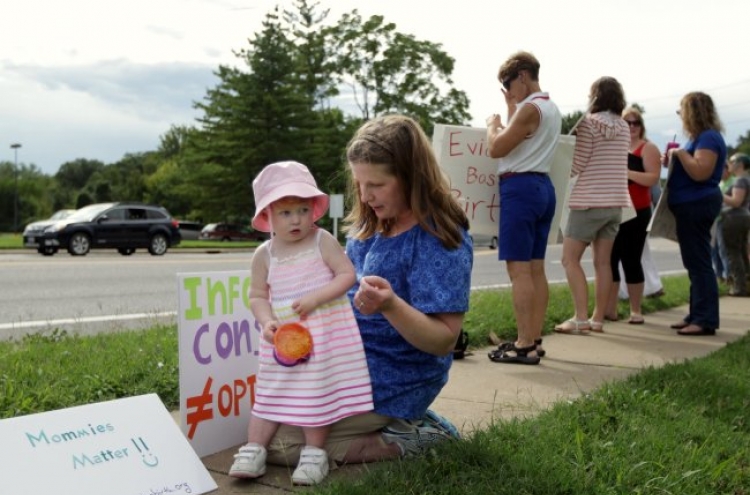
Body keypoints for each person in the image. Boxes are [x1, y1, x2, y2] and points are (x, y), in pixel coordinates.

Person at [251, 115, 473, 470]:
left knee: (280, 445)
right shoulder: (369, 226)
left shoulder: (440, 238)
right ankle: (387, 426)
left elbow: (444, 340)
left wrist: (391, 305)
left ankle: (410, 435)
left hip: (396, 374)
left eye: (377, 184)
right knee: (262, 423)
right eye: (359, 183)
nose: (366, 196)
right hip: (346, 360)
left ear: (411, 177)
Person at [228, 161, 374, 485]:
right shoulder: (264, 254)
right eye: (286, 213)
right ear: (267, 216)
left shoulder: (322, 241)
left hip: (322, 335)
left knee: (315, 394)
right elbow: (257, 295)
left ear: (314, 210)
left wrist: (316, 297)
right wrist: (266, 321)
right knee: (268, 393)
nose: (296, 219)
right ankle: (255, 448)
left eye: (303, 210)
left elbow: (347, 274)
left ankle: (314, 453)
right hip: (283, 340)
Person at [484, 50, 561, 364]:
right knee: (536, 268)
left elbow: (496, 147)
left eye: (508, 82)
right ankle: (535, 337)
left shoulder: (530, 108)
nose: (507, 88)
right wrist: (510, 109)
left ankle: (524, 343)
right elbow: (526, 132)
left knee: (518, 272)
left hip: (520, 187)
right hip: (542, 186)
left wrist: (494, 124)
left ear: (523, 75)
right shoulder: (549, 106)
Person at [554, 76, 630, 335]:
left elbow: (577, 166)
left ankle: (580, 317)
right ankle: (598, 318)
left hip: (588, 201)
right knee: (603, 263)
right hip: (615, 202)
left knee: (569, 259)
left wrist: (567, 149)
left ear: (594, 96)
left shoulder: (588, 124)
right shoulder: (624, 126)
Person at [666, 91, 727, 336]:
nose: (681, 116)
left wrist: (680, 153)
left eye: (682, 111)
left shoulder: (709, 138)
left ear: (692, 112)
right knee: (694, 261)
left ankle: (704, 319)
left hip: (697, 204)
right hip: (691, 204)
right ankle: (696, 313)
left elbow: (701, 171)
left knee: (700, 263)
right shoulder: (702, 138)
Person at [605, 107, 660, 324]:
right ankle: (609, 308)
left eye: (635, 122)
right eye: (627, 122)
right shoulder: (614, 147)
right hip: (614, 209)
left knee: (631, 259)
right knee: (609, 260)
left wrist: (627, 173)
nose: (631, 127)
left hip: (638, 211)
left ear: (641, 125)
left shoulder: (648, 148)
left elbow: (653, 178)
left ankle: (635, 310)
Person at [720, 153, 750, 296]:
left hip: (734, 218)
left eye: (731, 161)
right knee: (741, 251)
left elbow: (736, 201)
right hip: (743, 217)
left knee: (733, 252)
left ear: (739, 164)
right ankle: (745, 283)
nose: (729, 164)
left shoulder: (739, 181)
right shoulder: (746, 180)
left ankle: (740, 287)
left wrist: (718, 194)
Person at [712, 160, 735, 283]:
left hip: (727, 219)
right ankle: (719, 274)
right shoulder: (720, 183)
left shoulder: (733, 182)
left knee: (724, 249)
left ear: (727, 170)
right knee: (714, 250)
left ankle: (728, 275)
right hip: (716, 219)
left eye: (722, 169)